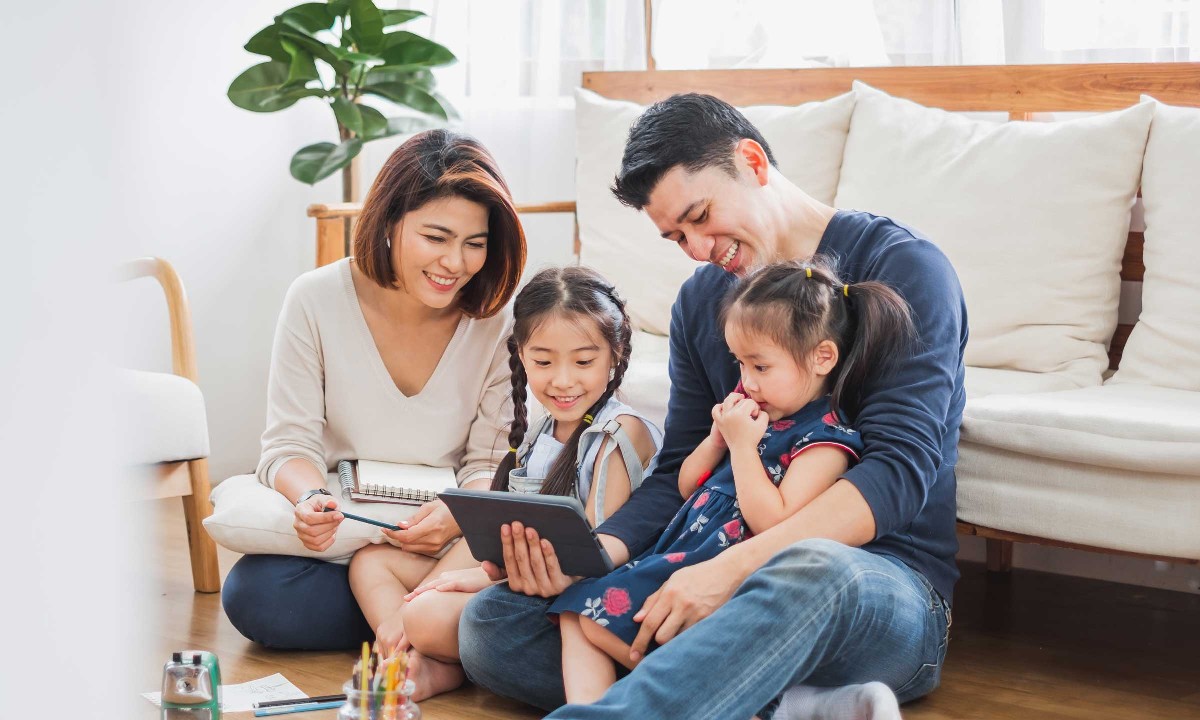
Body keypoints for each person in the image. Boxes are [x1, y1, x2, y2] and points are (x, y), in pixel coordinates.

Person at [458, 93, 967, 720]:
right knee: (493, 623)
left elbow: (899, 473)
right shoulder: (702, 304)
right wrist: (591, 560)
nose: (698, 248)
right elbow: (676, 470)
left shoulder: (905, 267)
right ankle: (797, 707)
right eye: (677, 236)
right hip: (706, 568)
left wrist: (732, 570)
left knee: (812, 571)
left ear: (751, 161)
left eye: (700, 216)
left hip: (872, 584)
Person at [551, 258, 914, 704]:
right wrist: (715, 442)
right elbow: (688, 487)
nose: (745, 382)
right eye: (740, 364)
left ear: (822, 357)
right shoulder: (753, 417)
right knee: (575, 612)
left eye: (761, 367)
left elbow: (772, 523)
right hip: (681, 556)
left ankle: (741, 704)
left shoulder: (825, 442)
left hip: (734, 579)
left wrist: (744, 448)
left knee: (591, 617)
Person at [220, 129, 527, 652]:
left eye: (475, 244)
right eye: (436, 237)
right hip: (349, 531)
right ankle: (430, 624)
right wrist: (311, 497)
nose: (455, 263)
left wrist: (457, 512)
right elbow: (288, 446)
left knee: (509, 555)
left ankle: (411, 617)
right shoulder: (315, 299)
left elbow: (490, 464)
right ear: (389, 221)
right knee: (257, 595)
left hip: (444, 539)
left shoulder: (499, 323)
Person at [348, 266, 663, 700]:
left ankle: (427, 653)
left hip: (569, 595)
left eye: (584, 362)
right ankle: (415, 656)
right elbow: (501, 534)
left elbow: (590, 560)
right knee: (370, 564)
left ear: (615, 354)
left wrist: (477, 582)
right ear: (521, 355)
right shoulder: (540, 433)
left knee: (425, 614)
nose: (563, 379)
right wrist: (466, 577)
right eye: (544, 361)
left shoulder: (620, 432)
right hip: (514, 576)